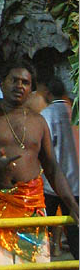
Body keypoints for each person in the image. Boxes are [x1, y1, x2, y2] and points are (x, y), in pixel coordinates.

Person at [0, 57, 79, 269]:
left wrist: (72, 205)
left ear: (31, 89)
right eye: (14, 80)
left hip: (31, 211)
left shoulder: (38, 121)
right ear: (2, 83)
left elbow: (52, 168)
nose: (19, 86)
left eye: (25, 83)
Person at [41, 76, 79, 259]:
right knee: (75, 233)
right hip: (76, 183)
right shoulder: (74, 111)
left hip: (52, 185)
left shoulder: (46, 115)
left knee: (43, 230)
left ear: (47, 93)